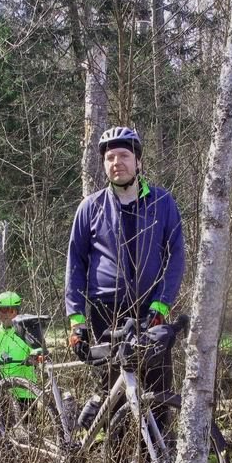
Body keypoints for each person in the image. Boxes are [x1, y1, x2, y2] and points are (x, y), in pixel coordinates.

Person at [65, 126, 185, 427]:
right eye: (110, 157)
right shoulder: (90, 207)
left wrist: (161, 306)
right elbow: (75, 267)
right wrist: (76, 323)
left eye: (124, 156)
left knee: (157, 391)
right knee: (115, 395)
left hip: (150, 311)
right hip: (107, 313)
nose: (116, 162)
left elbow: (176, 259)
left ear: (138, 162)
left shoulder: (162, 202)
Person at [0, 291, 38, 399]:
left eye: (10, 310)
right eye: (2, 310)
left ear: (17, 312)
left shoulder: (27, 333)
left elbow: (38, 350)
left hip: (24, 393)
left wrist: (34, 357)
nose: (6, 314)